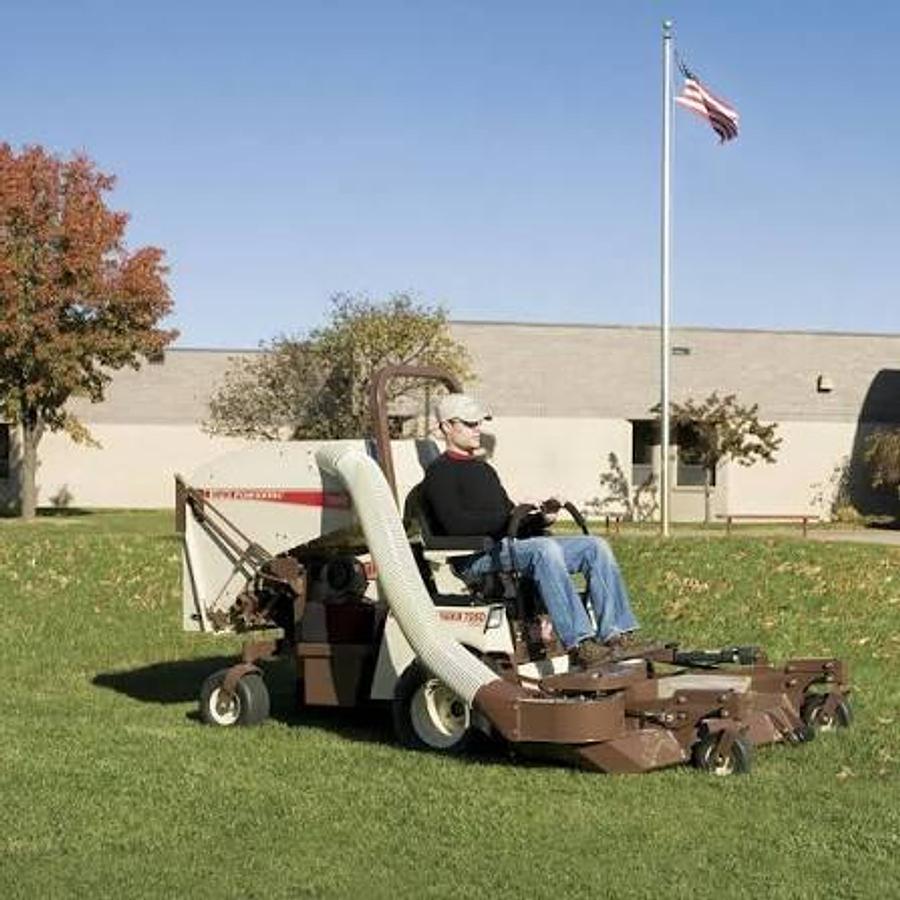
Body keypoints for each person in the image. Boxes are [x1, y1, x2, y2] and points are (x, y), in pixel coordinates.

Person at [422, 392, 644, 669]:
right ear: (446, 427)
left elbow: (510, 521)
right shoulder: (439, 474)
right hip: (475, 556)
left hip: (507, 547)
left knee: (595, 546)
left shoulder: (484, 470)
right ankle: (579, 642)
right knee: (544, 549)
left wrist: (542, 519)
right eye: (469, 424)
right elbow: (457, 525)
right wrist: (508, 518)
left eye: (479, 423)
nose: (477, 429)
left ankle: (616, 635)